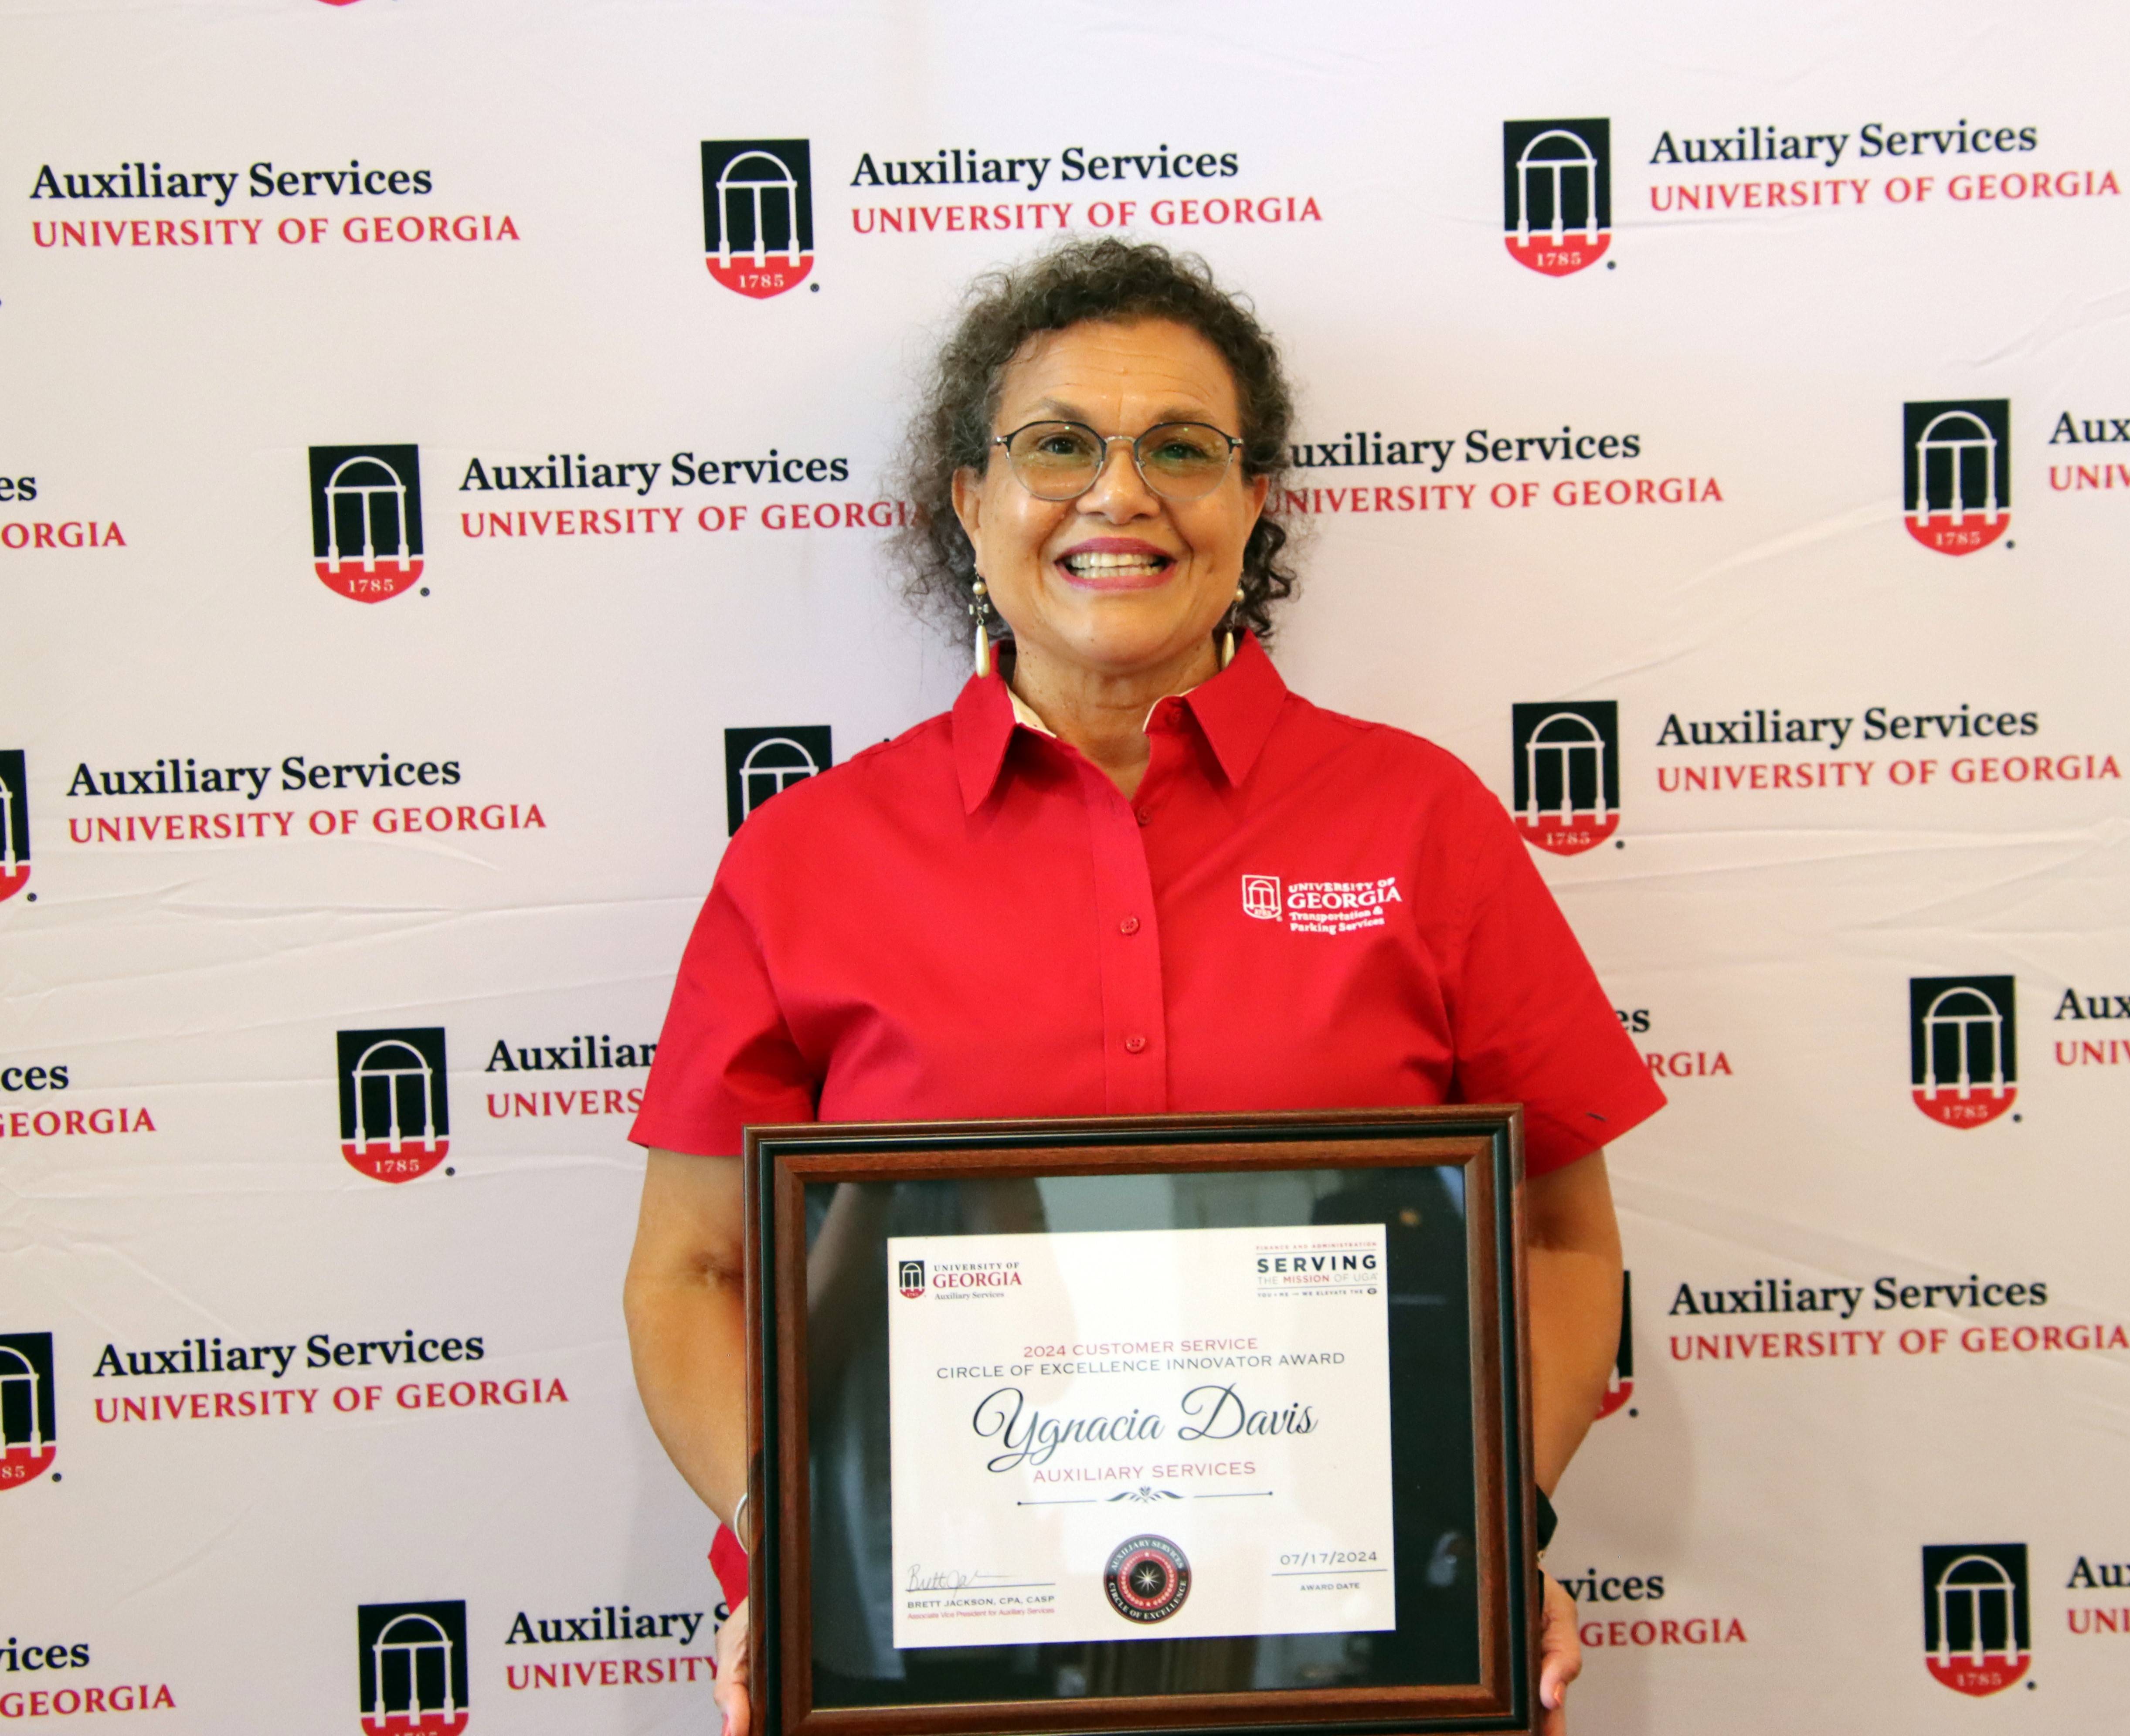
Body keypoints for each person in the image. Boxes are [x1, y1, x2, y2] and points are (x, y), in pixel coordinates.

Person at [622, 236, 1665, 1736]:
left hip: (1355, 1653)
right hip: (933, 1661)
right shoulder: (807, 861)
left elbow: (1563, 1240)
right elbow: (690, 1276)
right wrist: (793, 1560)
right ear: (970, 501)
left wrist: (1504, 1525)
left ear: (1254, 502)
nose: (1119, 493)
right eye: (1057, 446)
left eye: (1181, 447)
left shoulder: (1419, 822)